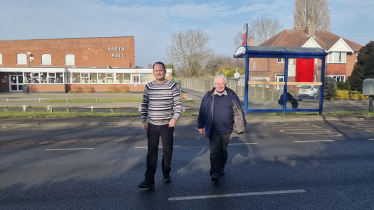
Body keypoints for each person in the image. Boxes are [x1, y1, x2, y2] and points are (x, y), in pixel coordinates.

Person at [138, 61, 182, 189]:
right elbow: (144, 104)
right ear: (153, 72)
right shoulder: (149, 86)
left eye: (160, 70)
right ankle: (149, 180)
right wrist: (143, 120)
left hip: (167, 124)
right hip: (152, 124)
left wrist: (175, 118)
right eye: (156, 71)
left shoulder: (172, 86)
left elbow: (178, 104)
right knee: (151, 152)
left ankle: (166, 172)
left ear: (165, 71)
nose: (158, 72)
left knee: (167, 151)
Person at [197, 74, 246, 183]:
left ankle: (221, 166)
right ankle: (214, 172)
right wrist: (200, 125)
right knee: (214, 151)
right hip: (213, 129)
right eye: (218, 83)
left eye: (222, 83)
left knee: (223, 151)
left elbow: (239, 111)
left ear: (225, 84)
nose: (220, 86)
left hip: (227, 129)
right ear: (214, 85)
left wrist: (242, 124)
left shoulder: (232, 95)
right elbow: (202, 111)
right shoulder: (208, 96)